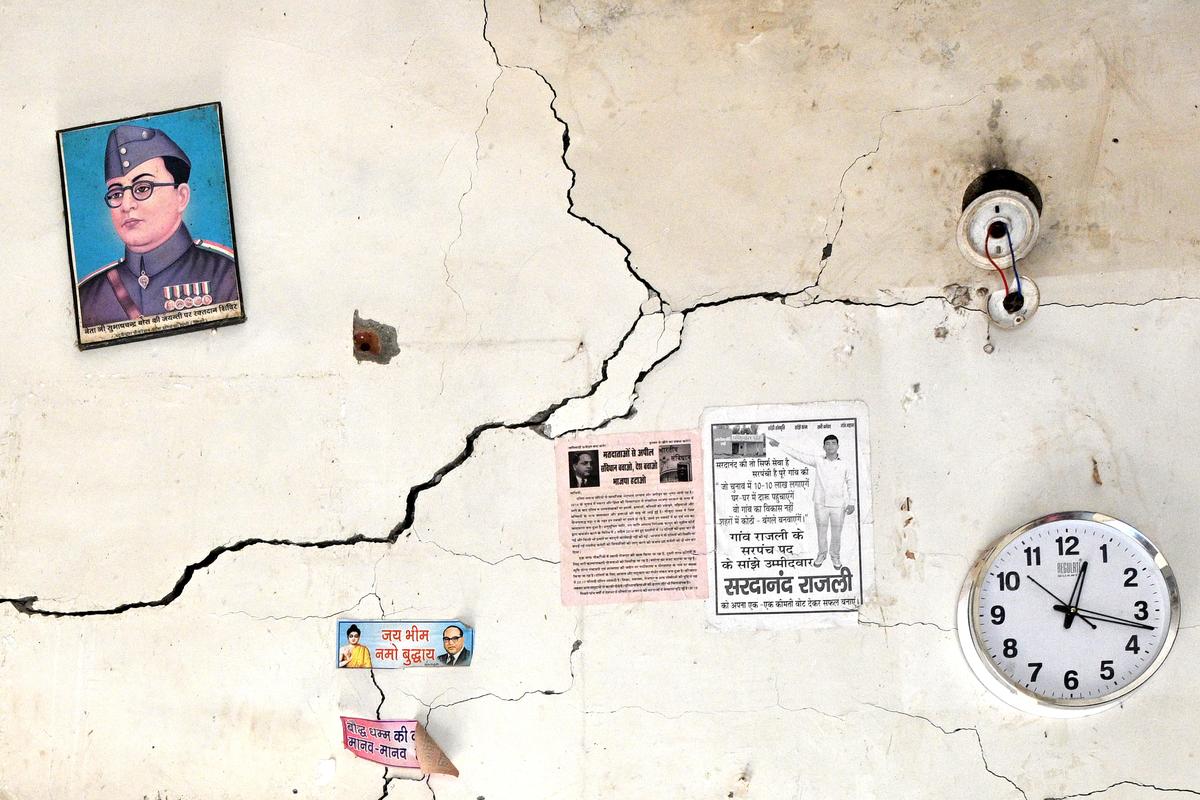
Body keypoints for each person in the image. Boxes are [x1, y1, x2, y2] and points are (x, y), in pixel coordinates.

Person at [77, 124, 239, 327]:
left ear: (181, 197)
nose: (126, 205)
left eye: (143, 188)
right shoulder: (87, 295)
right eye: (116, 194)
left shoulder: (227, 275)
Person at [766, 434, 855, 570]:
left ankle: (835, 556)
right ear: (823, 447)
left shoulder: (845, 464)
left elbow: (851, 483)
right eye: (828, 444)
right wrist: (779, 445)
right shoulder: (818, 461)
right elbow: (798, 455)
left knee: (837, 533)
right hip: (820, 503)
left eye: (833, 443)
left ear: (838, 446)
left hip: (838, 505)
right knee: (821, 531)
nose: (830, 446)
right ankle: (821, 554)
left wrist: (852, 502)